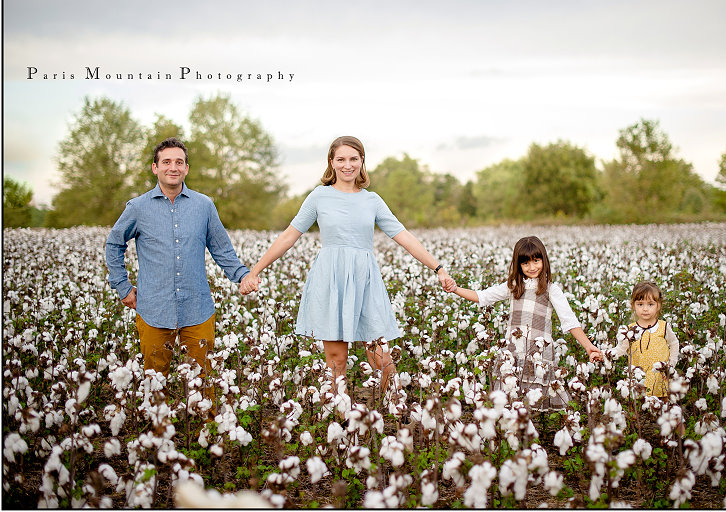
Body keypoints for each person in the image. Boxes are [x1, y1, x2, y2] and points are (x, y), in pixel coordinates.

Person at [239, 136, 453, 396]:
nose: (347, 165)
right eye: (341, 159)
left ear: (362, 162)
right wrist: (255, 270)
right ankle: (339, 422)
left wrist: (438, 268)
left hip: (364, 279)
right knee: (336, 361)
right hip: (331, 279)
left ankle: (393, 410)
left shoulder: (372, 200)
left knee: (380, 357)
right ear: (331, 162)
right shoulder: (319, 196)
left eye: (353, 159)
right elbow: (289, 235)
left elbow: (404, 236)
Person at [106, 137, 250, 400]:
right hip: (153, 309)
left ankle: (208, 437)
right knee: (154, 382)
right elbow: (114, 243)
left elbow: (221, 249)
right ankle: (156, 436)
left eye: (179, 162)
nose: (173, 167)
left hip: (198, 308)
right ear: (155, 167)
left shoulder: (204, 205)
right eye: (167, 162)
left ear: (186, 169)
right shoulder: (137, 207)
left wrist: (242, 275)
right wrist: (122, 286)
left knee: (204, 381)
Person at [446, 235, 603, 408]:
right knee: (511, 400)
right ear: (518, 265)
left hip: (538, 354)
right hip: (513, 353)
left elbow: (569, 320)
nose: (532, 267)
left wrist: (588, 346)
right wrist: (455, 289)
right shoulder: (514, 286)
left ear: (544, 260)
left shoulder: (551, 289)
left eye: (536, 261)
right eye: (525, 263)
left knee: (534, 399)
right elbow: (483, 296)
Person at [614, 281, 679, 397]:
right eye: (640, 304)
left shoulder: (663, 327)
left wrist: (671, 365)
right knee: (638, 409)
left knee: (662, 410)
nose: (645, 309)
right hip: (638, 382)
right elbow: (620, 349)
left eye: (650, 304)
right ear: (633, 305)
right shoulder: (630, 330)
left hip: (661, 381)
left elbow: (674, 343)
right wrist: (604, 354)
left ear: (658, 306)